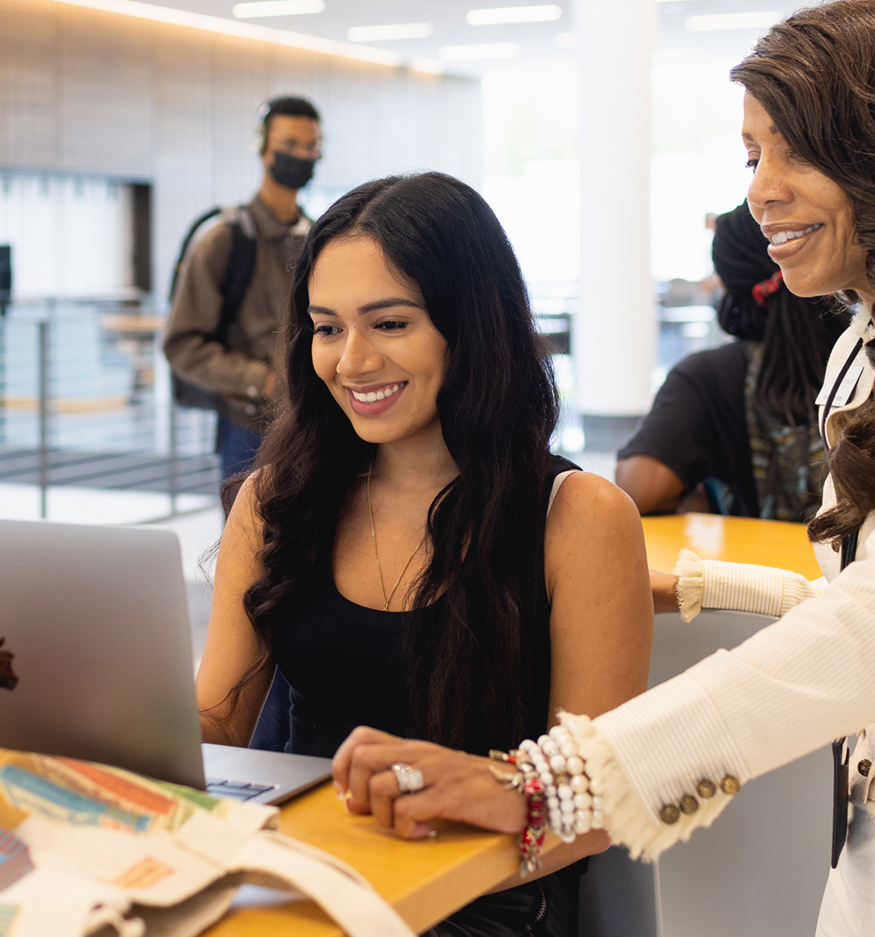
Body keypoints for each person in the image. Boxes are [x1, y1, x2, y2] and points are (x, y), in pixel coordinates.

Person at [328, 4, 875, 935]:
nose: (760, 193)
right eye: (752, 158)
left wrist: (557, 780)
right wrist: (699, 583)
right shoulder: (873, 338)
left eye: (794, 152)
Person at [194, 172, 653, 936]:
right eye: (328, 327)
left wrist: (493, 789)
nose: (351, 361)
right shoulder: (275, 501)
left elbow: (599, 797)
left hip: (486, 898)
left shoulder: (578, 517)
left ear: (470, 325)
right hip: (304, 879)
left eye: (390, 324)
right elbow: (216, 723)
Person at [615, 202, 849, 520]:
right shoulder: (873, 355)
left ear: (730, 281)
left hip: (769, 567)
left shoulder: (707, 377)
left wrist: (699, 497)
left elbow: (638, 489)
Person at [165, 95, 323, 480]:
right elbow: (182, 344)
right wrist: (262, 381)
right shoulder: (224, 240)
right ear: (263, 148)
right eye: (289, 145)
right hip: (249, 429)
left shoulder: (320, 239)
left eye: (311, 145)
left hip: (315, 425)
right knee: (250, 539)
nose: (301, 154)